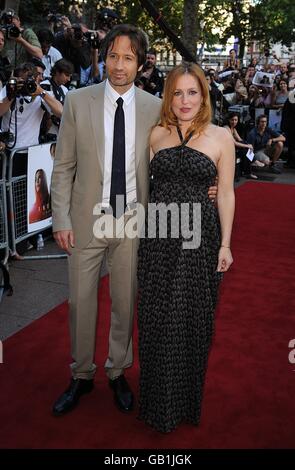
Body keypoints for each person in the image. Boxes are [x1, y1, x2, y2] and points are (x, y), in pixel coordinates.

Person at [50, 24, 218, 417]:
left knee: (125, 302)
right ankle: (82, 374)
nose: (119, 65)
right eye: (113, 56)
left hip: (132, 221)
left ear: (141, 63)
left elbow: (188, 143)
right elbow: (63, 167)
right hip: (85, 218)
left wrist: (208, 184)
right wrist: (60, 219)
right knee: (80, 302)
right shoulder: (78, 101)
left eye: (128, 57)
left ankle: (117, 371)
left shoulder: (153, 107)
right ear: (104, 57)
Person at [137, 63, 235, 433]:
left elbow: (225, 193)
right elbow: (147, 189)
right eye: (177, 92)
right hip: (158, 239)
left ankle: (181, 402)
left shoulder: (220, 136)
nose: (184, 100)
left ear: (204, 96)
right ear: (168, 96)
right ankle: (155, 401)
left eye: (192, 92)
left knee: (191, 320)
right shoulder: (155, 134)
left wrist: (225, 244)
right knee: (155, 319)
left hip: (200, 241)